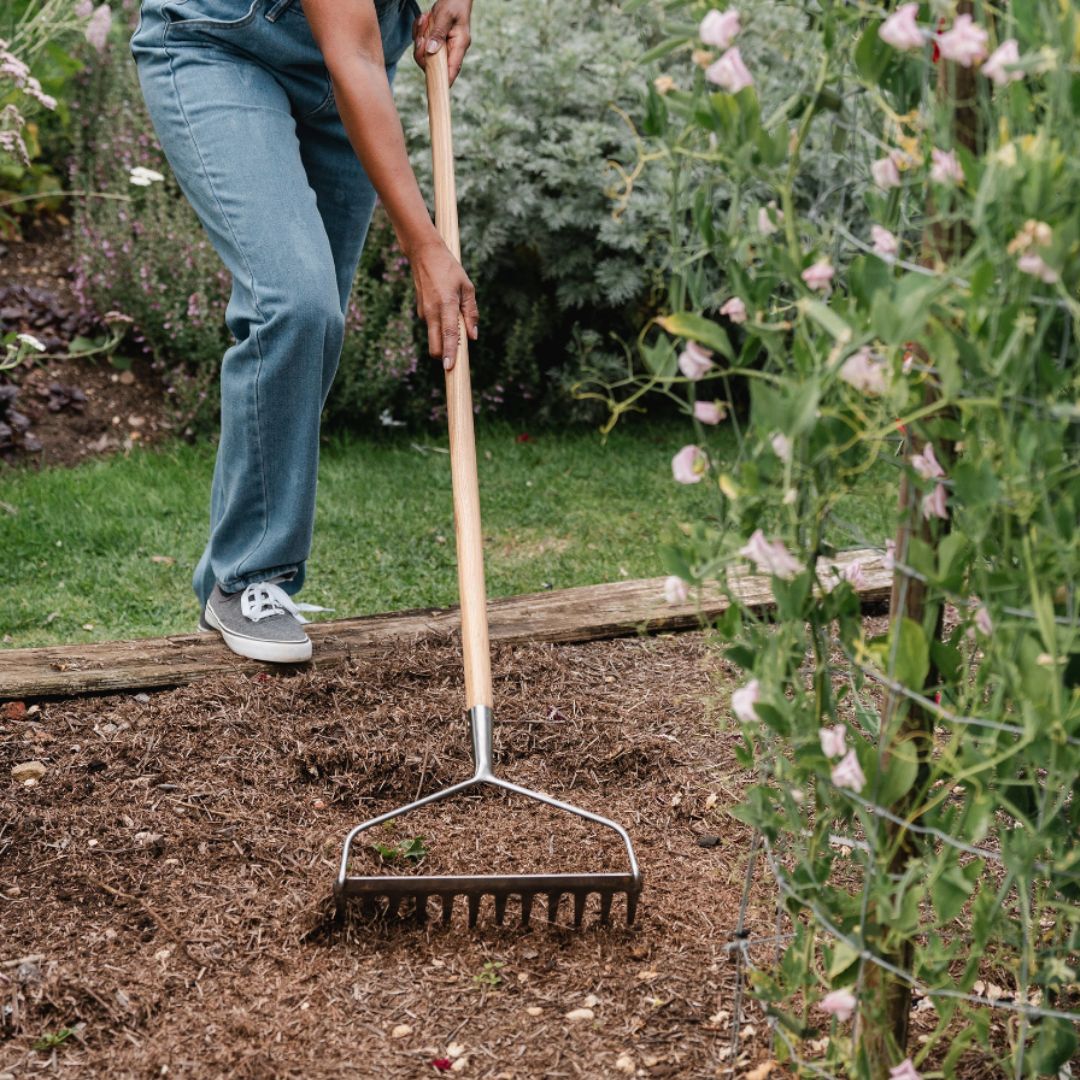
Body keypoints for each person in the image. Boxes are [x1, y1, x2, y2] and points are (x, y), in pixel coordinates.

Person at [129, 0, 478, 664]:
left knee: (315, 327)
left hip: (349, 59)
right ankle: (248, 577)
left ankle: (244, 577)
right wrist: (424, 245)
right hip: (225, 47)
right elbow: (350, 51)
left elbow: (353, 51)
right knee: (295, 302)